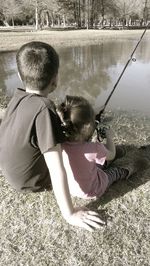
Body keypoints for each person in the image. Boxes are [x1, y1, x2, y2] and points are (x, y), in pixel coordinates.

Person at [0, 41, 105, 231]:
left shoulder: (17, 97)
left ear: (19, 76)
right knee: (85, 156)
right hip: (32, 182)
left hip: (12, 175)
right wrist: (70, 214)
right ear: (55, 79)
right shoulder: (44, 108)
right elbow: (56, 170)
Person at [57, 95, 147, 199]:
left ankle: (120, 152)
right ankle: (135, 166)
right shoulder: (93, 148)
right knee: (115, 172)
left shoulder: (59, 145)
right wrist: (109, 137)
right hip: (94, 189)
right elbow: (111, 155)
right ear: (88, 126)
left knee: (98, 161)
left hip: (71, 188)